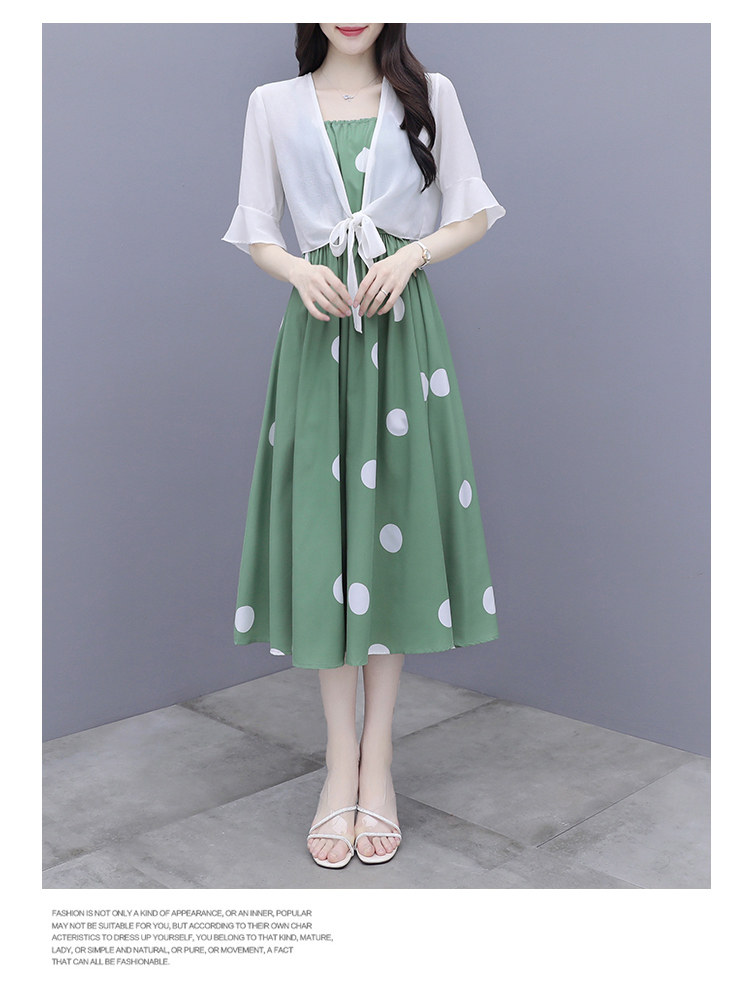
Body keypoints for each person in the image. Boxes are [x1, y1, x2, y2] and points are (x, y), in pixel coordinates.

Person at [222, 23, 505, 868]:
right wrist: (298, 269)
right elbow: (256, 227)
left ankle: (375, 763)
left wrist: (411, 256)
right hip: (318, 342)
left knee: (392, 540)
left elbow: (472, 212)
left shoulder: (431, 94)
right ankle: (337, 763)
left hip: (401, 338)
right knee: (329, 543)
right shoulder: (272, 104)